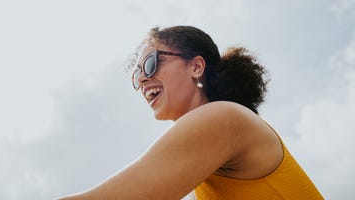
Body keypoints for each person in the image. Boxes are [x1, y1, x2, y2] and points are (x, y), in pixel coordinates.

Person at [59, 26, 323, 199]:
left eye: (150, 65)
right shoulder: (206, 162)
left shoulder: (224, 118)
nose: (141, 79)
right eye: (137, 74)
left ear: (196, 66)